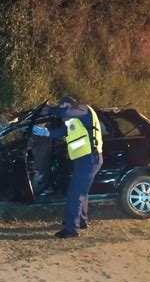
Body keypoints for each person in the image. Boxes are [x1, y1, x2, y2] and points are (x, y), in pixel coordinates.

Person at [32, 95, 103, 238]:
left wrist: (49, 110)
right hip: (85, 159)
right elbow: (59, 132)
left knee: (75, 193)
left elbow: (65, 112)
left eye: (63, 105)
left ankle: (71, 229)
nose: (62, 109)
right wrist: (43, 132)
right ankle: (81, 221)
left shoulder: (83, 110)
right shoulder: (74, 122)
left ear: (71, 105)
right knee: (81, 192)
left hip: (89, 159)